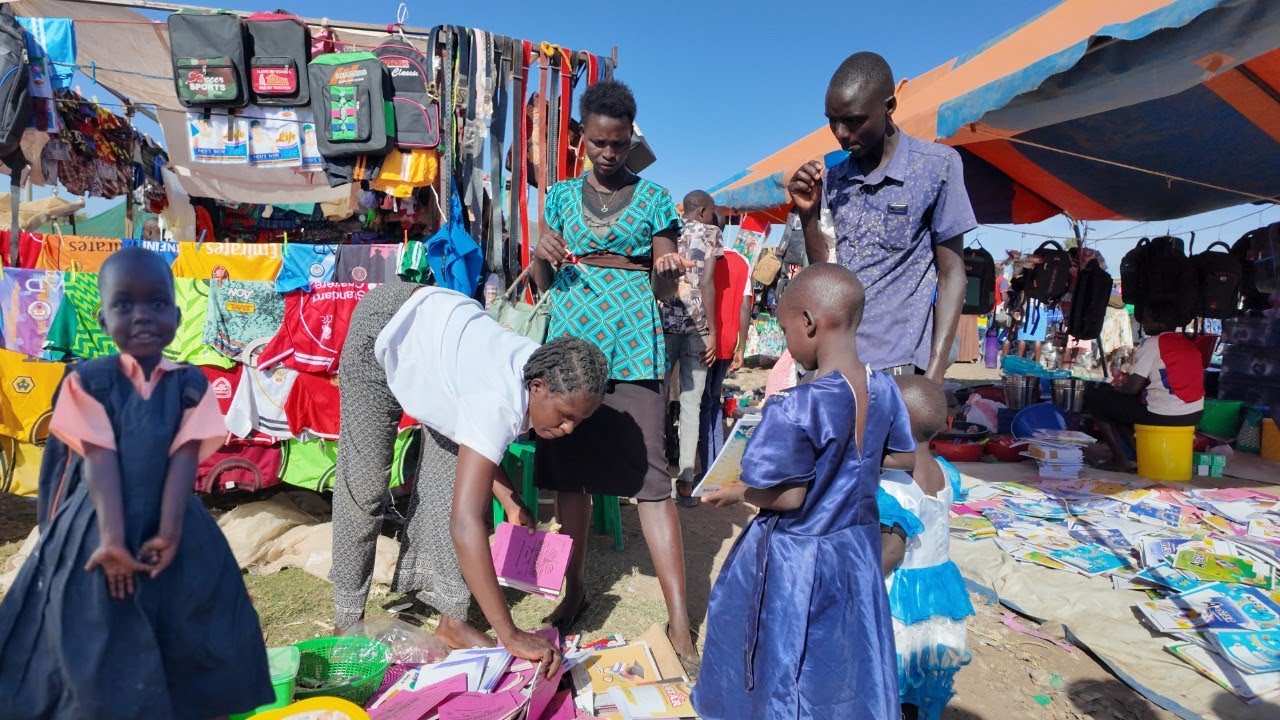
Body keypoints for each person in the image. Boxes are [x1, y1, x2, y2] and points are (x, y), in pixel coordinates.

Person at [0, 247, 274, 718]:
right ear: (103, 321)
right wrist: (104, 538)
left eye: (156, 302)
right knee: (94, 634)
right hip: (96, 524)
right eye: (124, 305)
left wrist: (169, 532)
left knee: (187, 631)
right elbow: (95, 460)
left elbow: (184, 462)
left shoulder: (191, 383)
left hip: (176, 526)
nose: (142, 315)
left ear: (177, 311)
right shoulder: (87, 380)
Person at [330, 282, 609, 674]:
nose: (568, 429)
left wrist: (510, 498)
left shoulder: (543, 370)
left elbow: (478, 436)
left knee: (451, 483)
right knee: (364, 488)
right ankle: (346, 621)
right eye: (564, 416)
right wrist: (509, 634)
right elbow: (465, 524)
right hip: (385, 326)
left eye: (578, 421)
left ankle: (453, 623)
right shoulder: (501, 400)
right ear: (538, 387)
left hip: (440, 347)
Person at [693, 264, 914, 719]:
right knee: (845, 650)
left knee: (784, 654)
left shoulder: (797, 405)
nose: (787, 342)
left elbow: (790, 497)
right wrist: (856, 460)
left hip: (798, 555)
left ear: (809, 323)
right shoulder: (886, 389)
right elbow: (904, 457)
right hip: (855, 547)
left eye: (785, 328)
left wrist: (739, 493)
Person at [528, 80, 699, 666]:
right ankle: (573, 591)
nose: (608, 153)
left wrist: (665, 264)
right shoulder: (555, 199)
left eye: (619, 144)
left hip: (633, 346)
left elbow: (662, 281)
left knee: (652, 480)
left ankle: (680, 621)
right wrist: (539, 251)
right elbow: (543, 285)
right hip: (571, 345)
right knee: (570, 476)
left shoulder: (655, 199)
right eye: (599, 142)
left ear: (632, 139)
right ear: (582, 137)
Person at [788, 51, 976, 383]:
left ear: (888, 107)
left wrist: (932, 377)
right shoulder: (834, 178)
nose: (841, 133)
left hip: (899, 371)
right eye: (832, 120)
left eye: (854, 120)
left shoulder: (936, 167)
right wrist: (808, 216)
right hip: (837, 366)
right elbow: (827, 276)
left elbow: (952, 274)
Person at [878, 376, 975, 720]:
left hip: (899, 599)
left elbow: (891, 553)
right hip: (939, 595)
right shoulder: (946, 473)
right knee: (916, 688)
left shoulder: (890, 485)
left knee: (889, 682)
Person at [1083, 301, 1205, 470]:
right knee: (1120, 408)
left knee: (1097, 401)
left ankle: (1122, 460)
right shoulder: (1187, 343)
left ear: (1159, 323)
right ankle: (1137, 455)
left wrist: (1118, 387)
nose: (1143, 324)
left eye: (1147, 320)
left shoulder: (1154, 343)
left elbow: (1133, 387)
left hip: (1165, 413)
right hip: (1194, 413)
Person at [662, 190, 721, 506]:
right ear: (701, 211)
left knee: (655, 398)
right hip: (696, 327)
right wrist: (711, 331)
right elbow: (708, 284)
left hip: (663, 323)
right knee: (690, 404)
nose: (712, 218)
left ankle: (651, 475)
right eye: (711, 212)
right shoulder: (710, 233)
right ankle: (685, 483)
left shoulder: (666, 231)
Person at [699, 214, 752, 475]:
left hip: (702, 340)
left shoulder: (701, 256)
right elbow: (745, 305)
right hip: (727, 342)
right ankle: (714, 460)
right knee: (713, 401)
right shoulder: (742, 261)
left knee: (701, 402)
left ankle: (706, 464)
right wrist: (740, 348)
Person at [1017, 298, 1047, 363]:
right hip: (1040, 309)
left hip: (1027, 308)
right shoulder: (1044, 287)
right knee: (1038, 338)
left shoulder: (1027, 287)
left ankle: (1018, 361)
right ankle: (1037, 363)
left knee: (1023, 337)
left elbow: (1022, 296)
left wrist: (1019, 308)